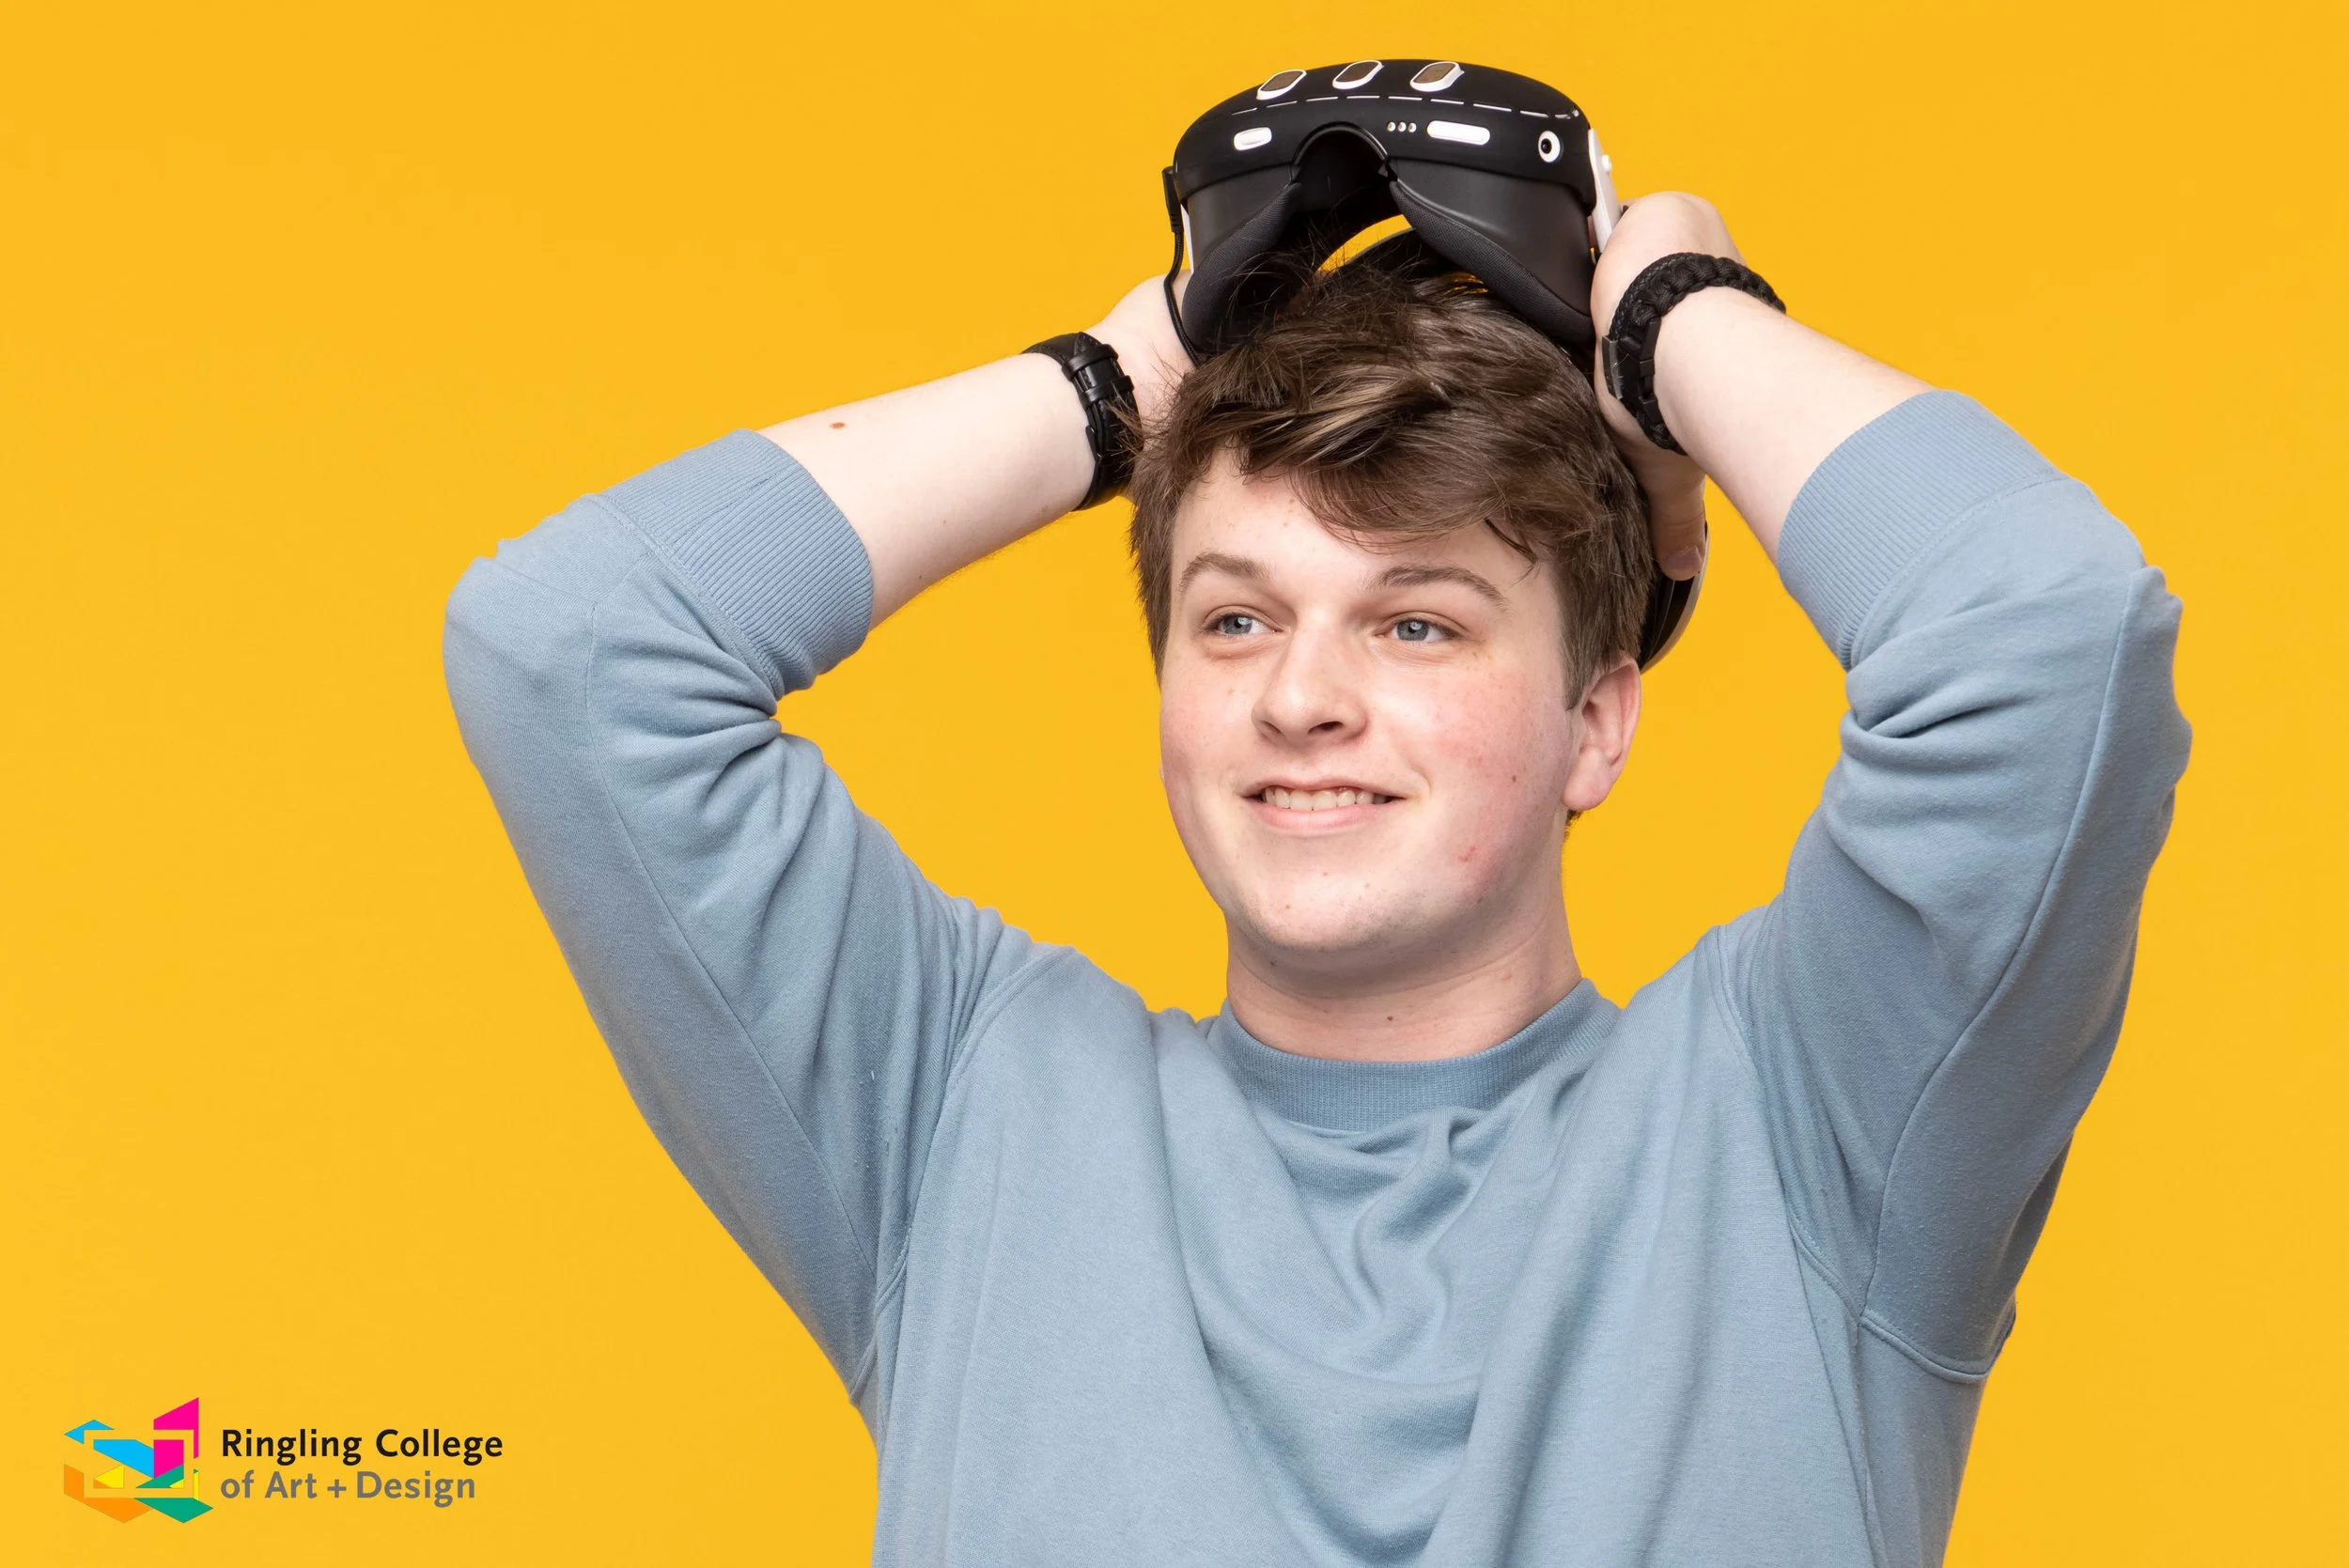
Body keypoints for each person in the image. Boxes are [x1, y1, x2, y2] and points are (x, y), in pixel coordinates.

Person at [443, 190, 2188, 1566]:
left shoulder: (1813, 1125)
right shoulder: (964, 1112)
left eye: (1416, 619)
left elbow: (2045, 633)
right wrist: (1112, 386)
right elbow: (572, 649)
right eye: (1236, 616)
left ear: (1597, 723)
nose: (1299, 694)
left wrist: (1673, 328)